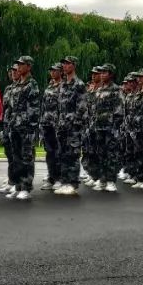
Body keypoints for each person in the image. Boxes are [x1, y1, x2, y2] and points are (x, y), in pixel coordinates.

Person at [2, 56, 41, 200]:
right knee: (16, 157)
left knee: (27, 157)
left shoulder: (32, 84)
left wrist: (31, 129)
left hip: (25, 127)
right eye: (17, 64)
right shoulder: (17, 85)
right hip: (14, 126)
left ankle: (26, 187)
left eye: (22, 64)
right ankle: (17, 185)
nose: (18, 67)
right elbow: (10, 108)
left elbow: (34, 108)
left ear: (29, 67)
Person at [54, 55, 87, 196]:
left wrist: (74, 123)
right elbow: (59, 106)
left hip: (73, 127)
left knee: (72, 154)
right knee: (63, 154)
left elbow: (81, 107)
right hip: (62, 126)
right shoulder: (62, 84)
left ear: (74, 65)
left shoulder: (79, 84)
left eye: (67, 64)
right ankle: (65, 180)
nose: (64, 66)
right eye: (63, 64)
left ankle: (72, 183)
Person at [91, 64, 123, 192]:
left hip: (110, 128)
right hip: (99, 127)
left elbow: (119, 110)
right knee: (100, 154)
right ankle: (102, 178)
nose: (102, 74)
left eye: (105, 72)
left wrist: (115, 126)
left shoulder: (116, 89)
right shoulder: (98, 90)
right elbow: (95, 109)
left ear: (111, 74)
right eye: (101, 72)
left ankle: (111, 180)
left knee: (111, 154)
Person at [38, 63, 62, 191]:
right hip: (47, 123)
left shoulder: (64, 86)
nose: (52, 72)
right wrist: (41, 122)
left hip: (58, 124)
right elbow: (44, 106)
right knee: (49, 152)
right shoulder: (49, 86)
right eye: (51, 70)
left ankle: (59, 178)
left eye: (55, 70)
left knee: (58, 152)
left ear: (61, 72)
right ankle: (51, 177)